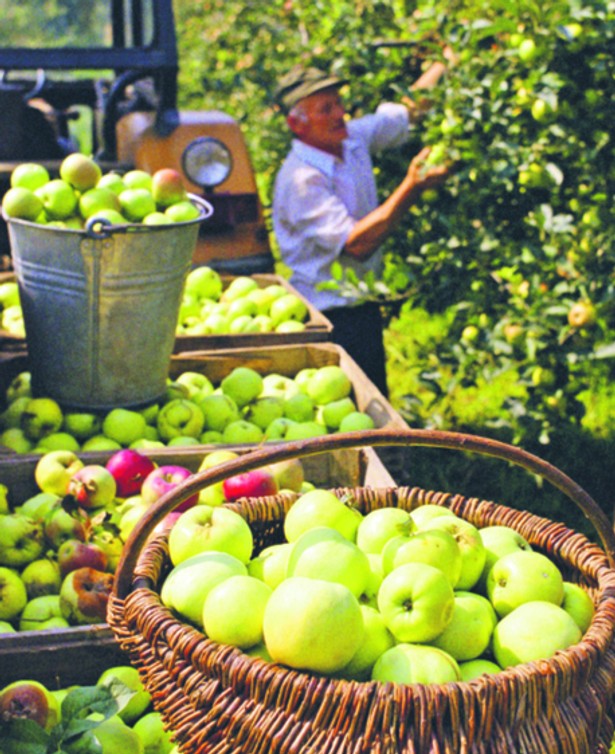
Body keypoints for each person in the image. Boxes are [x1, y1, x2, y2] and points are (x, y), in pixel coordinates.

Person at [272, 54, 453, 397]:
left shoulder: (350, 139)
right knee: (351, 410)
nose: (340, 114)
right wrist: (412, 186)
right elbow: (357, 244)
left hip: (361, 303)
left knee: (371, 401)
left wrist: (449, 59)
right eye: (325, 109)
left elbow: (406, 112)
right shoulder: (301, 180)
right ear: (297, 124)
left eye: (339, 104)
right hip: (331, 316)